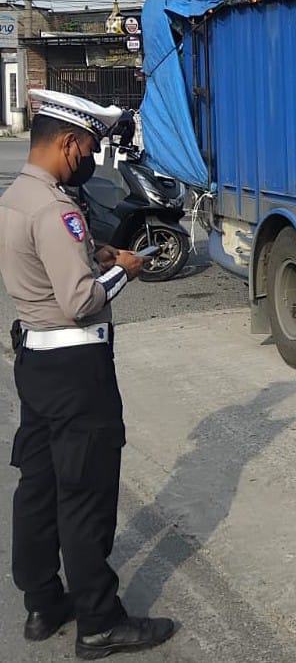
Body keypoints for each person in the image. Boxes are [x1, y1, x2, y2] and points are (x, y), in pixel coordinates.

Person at [0, 89, 175, 658]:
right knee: (85, 493)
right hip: (77, 368)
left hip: (36, 362)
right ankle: (100, 621)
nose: (91, 160)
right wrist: (125, 268)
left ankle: (42, 602)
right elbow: (79, 301)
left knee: (39, 485)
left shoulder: (17, 197)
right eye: (90, 149)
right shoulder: (57, 208)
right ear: (70, 143)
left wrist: (95, 250)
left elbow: (49, 263)